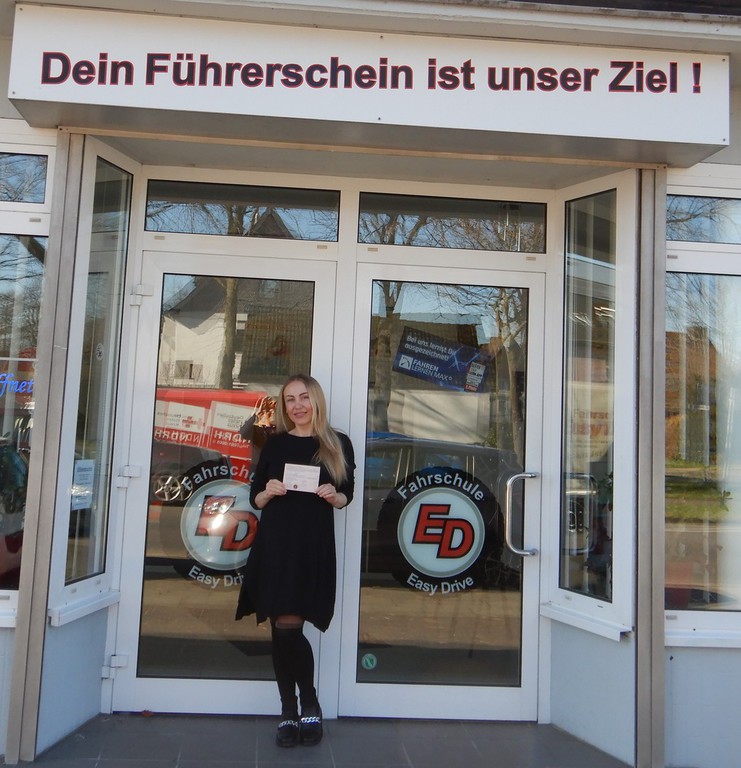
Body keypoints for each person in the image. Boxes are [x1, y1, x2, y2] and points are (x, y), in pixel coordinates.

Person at [235, 373, 355, 748]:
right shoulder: (275, 444)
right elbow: (255, 496)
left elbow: (347, 494)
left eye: (304, 397)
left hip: (312, 547)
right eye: (290, 400)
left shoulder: (337, 443)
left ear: (316, 400)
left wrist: (335, 495)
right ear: (284, 407)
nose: (298, 405)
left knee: (288, 629)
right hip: (276, 546)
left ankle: (303, 704)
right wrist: (268, 492)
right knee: (282, 627)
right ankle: (295, 708)